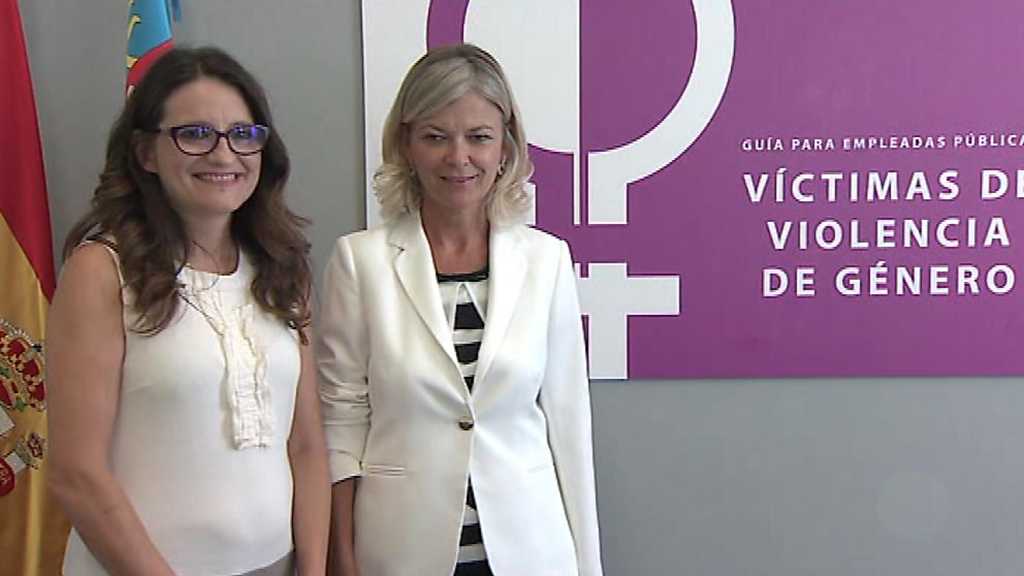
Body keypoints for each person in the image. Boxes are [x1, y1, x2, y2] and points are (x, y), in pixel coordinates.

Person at [318, 43, 604, 576]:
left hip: (528, 551)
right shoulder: (360, 263)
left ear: (506, 147)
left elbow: (569, 426)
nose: (458, 157)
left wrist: (588, 563)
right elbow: (342, 421)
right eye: (435, 137)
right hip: (400, 552)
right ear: (406, 144)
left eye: (478, 137)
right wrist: (342, 557)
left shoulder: (547, 261)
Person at [46, 46, 329, 575]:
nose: (224, 155)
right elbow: (76, 474)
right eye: (195, 134)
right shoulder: (101, 271)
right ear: (145, 153)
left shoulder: (282, 267)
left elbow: (308, 446)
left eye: (242, 134)